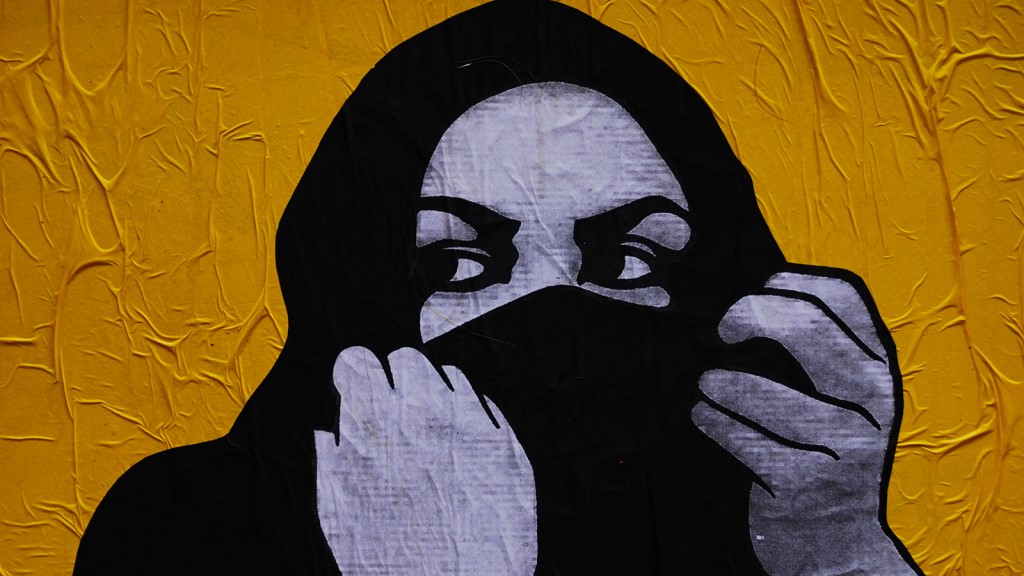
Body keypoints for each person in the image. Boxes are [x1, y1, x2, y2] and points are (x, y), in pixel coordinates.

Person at [75, 1, 920, 574]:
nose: (556, 321)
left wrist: (841, 548)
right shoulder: (189, 528)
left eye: (628, 261)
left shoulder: (760, 526)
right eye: (459, 266)